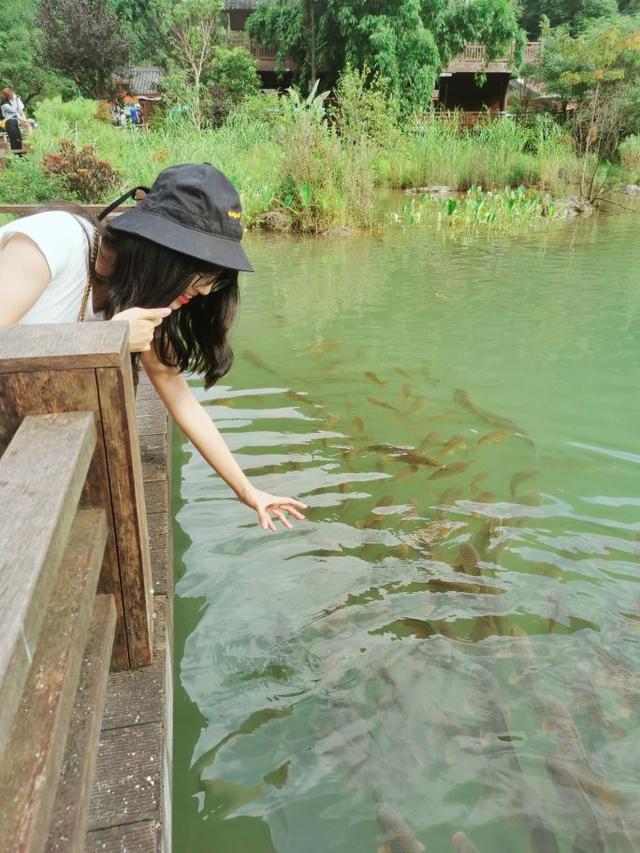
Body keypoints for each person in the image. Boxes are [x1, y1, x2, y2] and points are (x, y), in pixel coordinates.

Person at [0, 163, 307, 532]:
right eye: (203, 272)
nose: (208, 290)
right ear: (161, 250)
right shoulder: (54, 241)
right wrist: (106, 341)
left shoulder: (137, 297)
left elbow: (181, 399)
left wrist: (247, 491)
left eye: (216, 278)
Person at [1, 87, 25, 153]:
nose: (11, 96)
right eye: (9, 95)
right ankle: (15, 156)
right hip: (9, 122)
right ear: (6, 96)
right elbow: (14, 110)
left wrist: (18, 100)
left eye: (11, 94)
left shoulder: (13, 100)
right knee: (14, 139)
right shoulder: (4, 103)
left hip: (15, 122)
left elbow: (20, 109)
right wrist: (16, 100)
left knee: (19, 138)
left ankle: (20, 156)